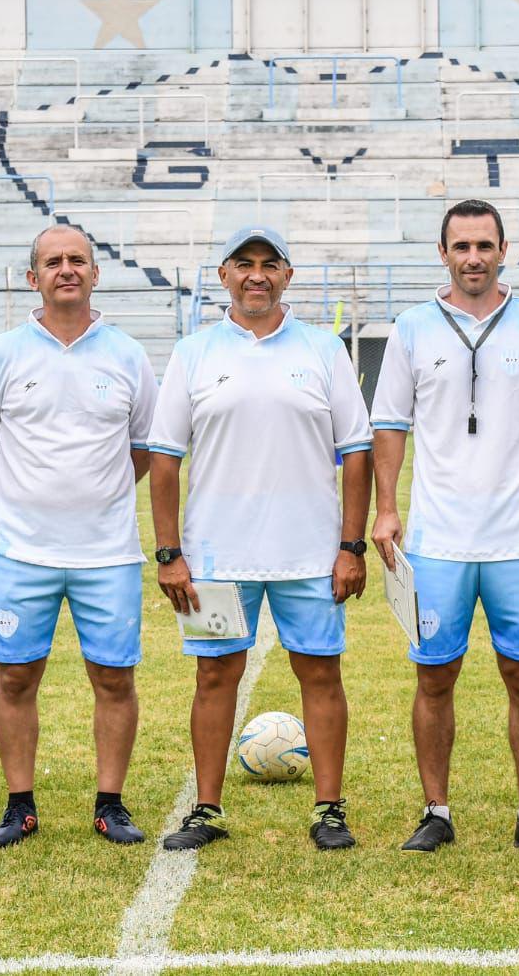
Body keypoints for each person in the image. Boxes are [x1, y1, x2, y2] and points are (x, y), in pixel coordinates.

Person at [369, 199, 519, 855]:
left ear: (503, 250)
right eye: (460, 246)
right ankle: (436, 810)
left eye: (484, 246)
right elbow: (389, 426)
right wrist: (386, 507)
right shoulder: (411, 328)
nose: (473, 258)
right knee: (434, 677)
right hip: (438, 542)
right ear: (443, 253)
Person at [148, 225, 373, 852]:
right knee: (215, 678)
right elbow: (164, 457)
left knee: (320, 674)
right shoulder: (193, 353)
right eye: (243, 263)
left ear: (287, 276)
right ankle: (207, 810)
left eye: (269, 264)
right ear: (223, 275)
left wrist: (350, 546)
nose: (256, 275)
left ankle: (329, 808)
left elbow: (356, 452)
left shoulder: (325, 350)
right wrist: (170, 553)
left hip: (310, 553)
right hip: (218, 554)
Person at [0, 224, 158, 848]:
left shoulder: (128, 354)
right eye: (53, 261)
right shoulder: (3, 352)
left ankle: (111, 803)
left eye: (78, 260)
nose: (66, 269)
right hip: (21, 550)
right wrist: (27, 496)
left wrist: (95, 496)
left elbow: (144, 447)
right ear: (33, 277)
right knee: (17, 677)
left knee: (114, 678)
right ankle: (20, 804)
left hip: (107, 553)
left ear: (96, 274)